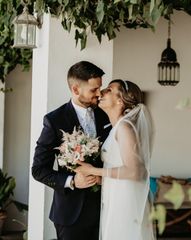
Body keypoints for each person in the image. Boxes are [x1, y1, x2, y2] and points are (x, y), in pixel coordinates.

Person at [32, 61, 111, 240]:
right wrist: (72, 180)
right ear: (75, 90)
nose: (99, 94)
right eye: (93, 90)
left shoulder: (106, 114)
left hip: (106, 210)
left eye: (100, 88)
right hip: (71, 215)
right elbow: (38, 170)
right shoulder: (54, 120)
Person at [75, 79, 155, 240]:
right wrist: (99, 179)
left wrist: (92, 170)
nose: (102, 92)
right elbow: (122, 169)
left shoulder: (125, 128)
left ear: (120, 100)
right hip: (116, 197)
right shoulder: (116, 128)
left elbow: (135, 172)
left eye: (109, 90)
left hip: (125, 203)